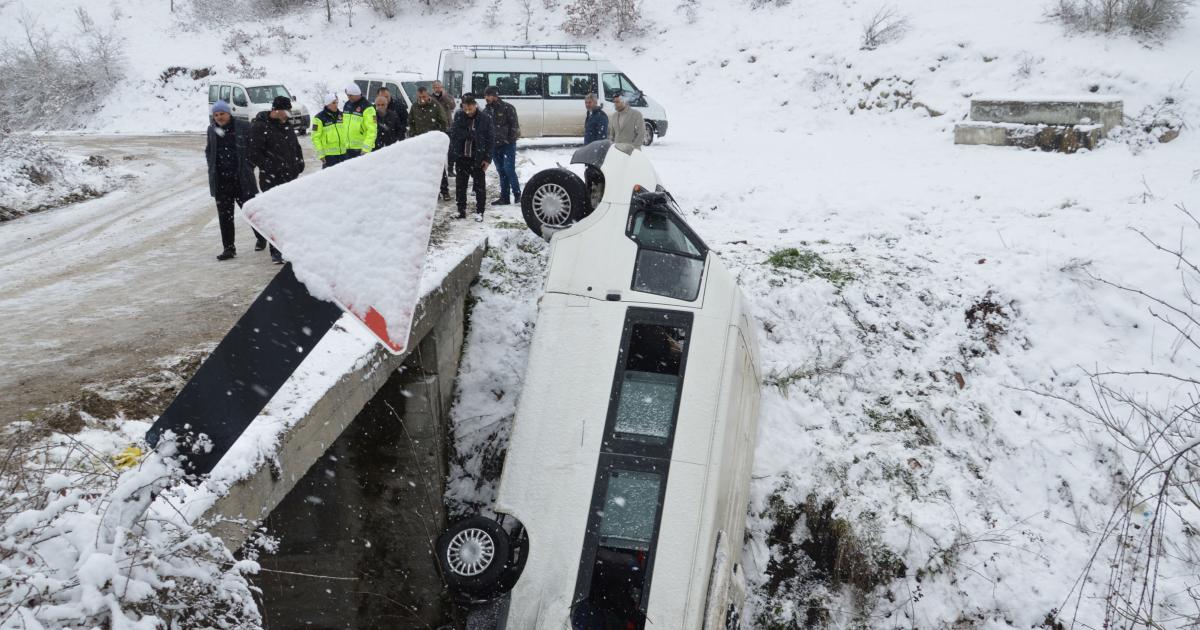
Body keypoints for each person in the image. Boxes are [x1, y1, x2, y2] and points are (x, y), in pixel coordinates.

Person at [248, 95, 305, 264]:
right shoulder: (259, 127)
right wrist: (270, 167)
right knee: (274, 216)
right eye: (286, 111)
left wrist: (299, 162)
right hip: (271, 179)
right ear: (277, 110)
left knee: (289, 215)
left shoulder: (286, 125)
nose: (288, 115)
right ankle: (276, 250)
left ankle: (290, 247)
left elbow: (295, 146)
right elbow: (253, 153)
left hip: (290, 178)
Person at [205, 100, 260, 260]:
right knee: (225, 217)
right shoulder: (211, 129)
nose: (219, 117)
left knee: (251, 212)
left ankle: (262, 237)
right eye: (216, 115)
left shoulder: (243, 126)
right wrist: (212, 167)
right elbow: (209, 151)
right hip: (221, 181)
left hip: (241, 179)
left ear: (228, 113)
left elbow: (253, 148)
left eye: (222, 113)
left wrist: (249, 165)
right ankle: (229, 248)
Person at [448, 93, 494, 221]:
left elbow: (490, 139)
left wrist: (487, 159)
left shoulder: (485, 118)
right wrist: (471, 134)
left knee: (479, 186)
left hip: (477, 157)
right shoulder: (458, 115)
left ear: (475, 105)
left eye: (470, 108)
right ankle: (461, 210)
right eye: (465, 108)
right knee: (461, 185)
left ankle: (480, 211)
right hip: (462, 156)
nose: (467, 111)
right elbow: (456, 133)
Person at [408, 86, 450, 199]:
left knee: (438, 167)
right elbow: (410, 122)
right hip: (420, 142)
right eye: (420, 97)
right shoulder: (414, 106)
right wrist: (413, 134)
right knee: (424, 169)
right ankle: (429, 192)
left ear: (428, 96)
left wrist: (438, 135)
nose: (422, 99)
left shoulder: (435, 106)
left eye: (424, 97)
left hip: (433, 143)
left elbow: (443, 122)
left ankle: (444, 191)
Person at [483, 86, 520, 206]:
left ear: (495, 96)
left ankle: (518, 195)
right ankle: (504, 198)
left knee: (509, 170)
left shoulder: (508, 108)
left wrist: (509, 140)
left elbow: (514, 126)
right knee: (501, 172)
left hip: (507, 145)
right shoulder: (486, 111)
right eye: (485, 95)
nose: (486, 98)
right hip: (494, 146)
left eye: (489, 95)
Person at [311, 93, 348, 169]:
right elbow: (315, 138)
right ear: (327, 104)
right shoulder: (319, 118)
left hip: (343, 154)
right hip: (329, 157)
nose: (336, 105)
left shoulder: (342, 115)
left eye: (337, 102)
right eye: (333, 103)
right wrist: (321, 154)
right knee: (329, 179)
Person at [342, 83, 377, 159]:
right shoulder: (347, 105)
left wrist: (366, 149)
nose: (348, 97)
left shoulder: (368, 107)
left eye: (350, 95)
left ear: (357, 94)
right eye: (348, 95)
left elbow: (372, 130)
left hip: (361, 150)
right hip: (347, 148)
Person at [431, 80, 457, 176]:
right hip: (435, 127)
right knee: (436, 149)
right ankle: (437, 169)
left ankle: (450, 169)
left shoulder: (447, 96)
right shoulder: (430, 97)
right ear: (432, 88)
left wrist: (444, 96)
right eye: (435, 87)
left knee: (451, 150)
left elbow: (453, 106)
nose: (437, 89)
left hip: (447, 127)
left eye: (439, 87)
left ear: (442, 87)